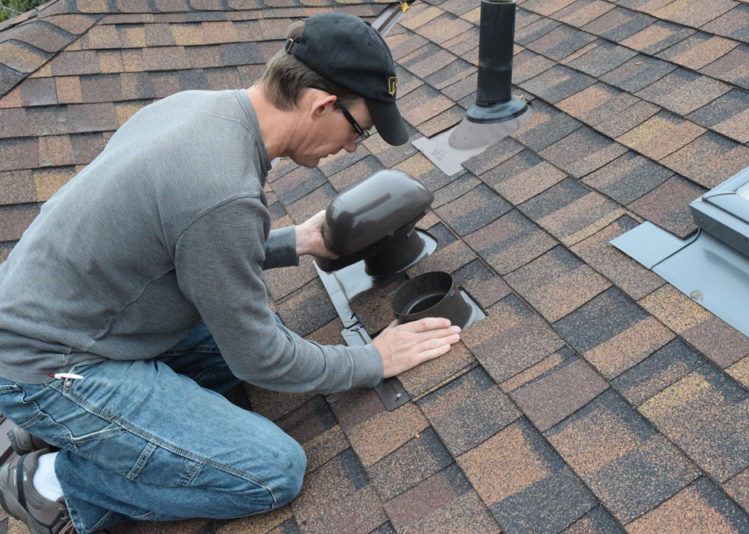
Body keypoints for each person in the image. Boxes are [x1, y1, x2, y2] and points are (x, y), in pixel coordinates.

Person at [0, 13, 460, 534]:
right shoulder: (221, 189)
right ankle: (53, 481)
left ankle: (67, 428)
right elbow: (262, 357)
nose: (352, 147)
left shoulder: (200, 108)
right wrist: (372, 360)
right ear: (322, 105)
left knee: (241, 347)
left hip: (74, 320)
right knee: (271, 472)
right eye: (359, 130)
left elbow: (188, 244)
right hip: (51, 366)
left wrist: (298, 241)